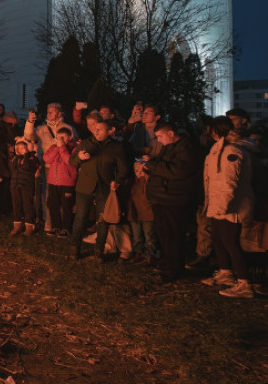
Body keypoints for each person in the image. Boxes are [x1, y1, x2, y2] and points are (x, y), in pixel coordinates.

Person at [137, 121, 200, 281]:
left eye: (160, 136)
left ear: (170, 133)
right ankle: (167, 264)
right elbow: (162, 166)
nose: (158, 140)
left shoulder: (186, 149)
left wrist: (151, 164)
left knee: (172, 235)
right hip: (162, 197)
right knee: (164, 234)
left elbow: (176, 171)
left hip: (173, 198)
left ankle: (173, 270)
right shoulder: (169, 147)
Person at [201, 116, 256, 298]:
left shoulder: (230, 151)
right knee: (218, 239)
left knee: (230, 242)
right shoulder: (220, 150)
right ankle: (226, 273)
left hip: (231, 206)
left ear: (216, 132)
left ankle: (244, 283)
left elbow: (229, 182)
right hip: (219, 204)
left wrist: (223, 206)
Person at [69, 119, 130, 260]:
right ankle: (74, 249)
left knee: (103, 220)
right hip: (84, 187)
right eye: (95, 128)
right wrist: (79, 157)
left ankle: (99, 251)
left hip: (104, 188)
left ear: (110, 131)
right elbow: (72, 161)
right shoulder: (86, 143)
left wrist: (117, 181)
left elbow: (123, 169)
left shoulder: (116, 147)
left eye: (100, 129)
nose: (96, 131)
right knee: (80, 218)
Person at [42, 126, 77, 237]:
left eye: (63, 137)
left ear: (69, 137)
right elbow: (47, 159)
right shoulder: (54, 147)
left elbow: (69, 161)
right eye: (58, 137)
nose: (60, 139)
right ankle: (56, 226)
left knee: (67, 206)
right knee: (53, 205)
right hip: (53, 181)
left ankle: (66, 228)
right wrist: (57, 148)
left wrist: (62, 147)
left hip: (67, 182)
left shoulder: (74, 148)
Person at [8, 137, 40, 235]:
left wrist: (26, 155)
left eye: (22, 148)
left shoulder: (32, 158)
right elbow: (12, 168)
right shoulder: (16, 158)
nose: (20, 150)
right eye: (18, 148)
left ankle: (29, 226)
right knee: (16, 205)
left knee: (27, 205)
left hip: (26, 185)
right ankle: (17, 226)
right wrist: (16, 155)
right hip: (15, 185)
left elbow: (27, 167)